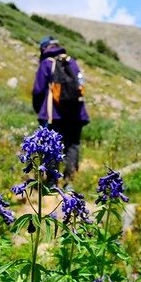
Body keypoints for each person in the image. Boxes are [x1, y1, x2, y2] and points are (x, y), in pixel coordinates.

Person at [31, 35, 90, 189]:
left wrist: (40, 110)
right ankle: (69, 182)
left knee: (51, 145)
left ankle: (51, 182)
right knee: (72, 145)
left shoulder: (46, 64)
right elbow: (81, 86)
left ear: (44, 49)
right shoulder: (72, 62)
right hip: (76, 114)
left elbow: (38, 91)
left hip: (54, 114)